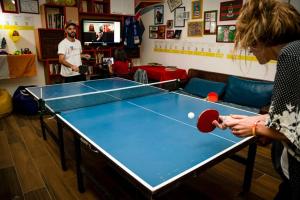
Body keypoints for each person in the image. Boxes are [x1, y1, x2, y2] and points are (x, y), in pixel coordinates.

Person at [212, 0, 300, 199]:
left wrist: (253, 128)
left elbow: (287, 128)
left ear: (263, 35)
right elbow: (293, 115)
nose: (249, 48)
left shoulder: (290, 55)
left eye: (251, 41)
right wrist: (253, 120)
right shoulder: (297, 50)